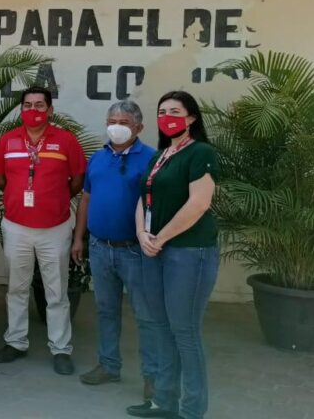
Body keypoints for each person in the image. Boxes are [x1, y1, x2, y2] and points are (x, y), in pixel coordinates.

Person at [126, 91, 219, 419]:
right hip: (155, 251)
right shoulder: (160, 156)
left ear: (191, 117)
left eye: (175, 111)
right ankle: (163, 402)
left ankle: (192, 410)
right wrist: (142, 234)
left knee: (184, 331)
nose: (167, 117)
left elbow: (199, 203)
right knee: (161, 327)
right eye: (162, 111)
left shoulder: (201, 153)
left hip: (188, 253)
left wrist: (161, 238)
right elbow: (144, 200)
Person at [0, 86, 86, 375]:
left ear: (50, 110)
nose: (34, 110)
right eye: (28, 105)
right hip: (16, 227)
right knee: (16, 288)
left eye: (40, 105)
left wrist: (54, 199)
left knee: (56, 292)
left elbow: (78, 179)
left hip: (54, 229)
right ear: (21, 110)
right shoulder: (8, 141)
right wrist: (19, 197)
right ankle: (16, 342)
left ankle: (60, 349)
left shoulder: (66, 141)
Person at [74, 101, 157, 403]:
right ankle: (109, 365)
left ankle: (153, 377)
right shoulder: (97, 158)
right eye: (111, 120)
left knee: (146, 316)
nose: (116, 125)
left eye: (123, 120)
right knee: (105, 310)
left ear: (138, 126)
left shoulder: (151, 159)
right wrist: (78, 238)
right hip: (99, 248)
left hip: (134, 251)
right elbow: (86, 198)